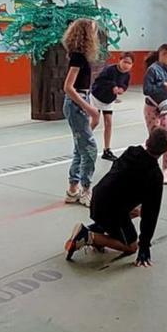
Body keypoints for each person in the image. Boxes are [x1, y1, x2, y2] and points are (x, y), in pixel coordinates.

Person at [64, 127, 167, 267]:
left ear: (147, 141)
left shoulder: (131, 151)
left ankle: (95, 228)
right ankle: (89, 236)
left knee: (138, 210)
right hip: (110, 211)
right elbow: (151, 215)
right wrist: (144, 246)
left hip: (97, 198)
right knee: (132, 247)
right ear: (166, 150)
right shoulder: (155, 176)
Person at [62, 18, 101, 207]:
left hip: (83, 101)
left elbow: (84, 88)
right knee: (90, 149)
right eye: (93, 31)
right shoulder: (77, 57)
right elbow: (69, 87)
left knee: (81, 147)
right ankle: (86, 189)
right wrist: (88, 108)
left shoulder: (82, 57)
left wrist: (90, 107)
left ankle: (72, 189)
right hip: (76, 104)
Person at [143, 43, 167, 185]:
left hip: (164, 109)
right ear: (163, 54)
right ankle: (148, 168)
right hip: (152, 108)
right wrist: (163, 85)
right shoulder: (152, 70)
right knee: (154, 141)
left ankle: (165, 169)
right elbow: (147, 89)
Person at [91, 53, 134, 161]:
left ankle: (107, 150)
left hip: (108, 100)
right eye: (125, 61)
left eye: (129, 63)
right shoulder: (110, 70)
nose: (126, 65)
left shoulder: (127, 75)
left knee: (108, 123)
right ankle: (84, 139)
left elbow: (125, 85)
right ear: (120, 60)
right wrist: (112, 86)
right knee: (95, 121)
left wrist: (122, 90)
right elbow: (100, 80)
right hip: (97, 96)